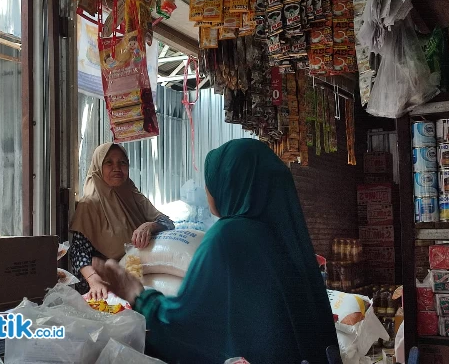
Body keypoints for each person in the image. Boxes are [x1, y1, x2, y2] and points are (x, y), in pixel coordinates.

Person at [93, 139, 339, 363]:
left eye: (210, 180)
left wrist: (138, 295)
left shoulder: (229, 237)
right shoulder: (287, 235)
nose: (207, 189)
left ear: (229, 182)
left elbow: (187, 327)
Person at [70, 143, 174, 300]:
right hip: (102, 285)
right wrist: (93, 280)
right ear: (98, 167)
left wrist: (149, 225)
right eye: (109, 163)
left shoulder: (134, 196)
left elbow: (168, 223)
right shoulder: (89, 204)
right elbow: (78, 251)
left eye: (122, 162)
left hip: (136, 277)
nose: (117, 168)